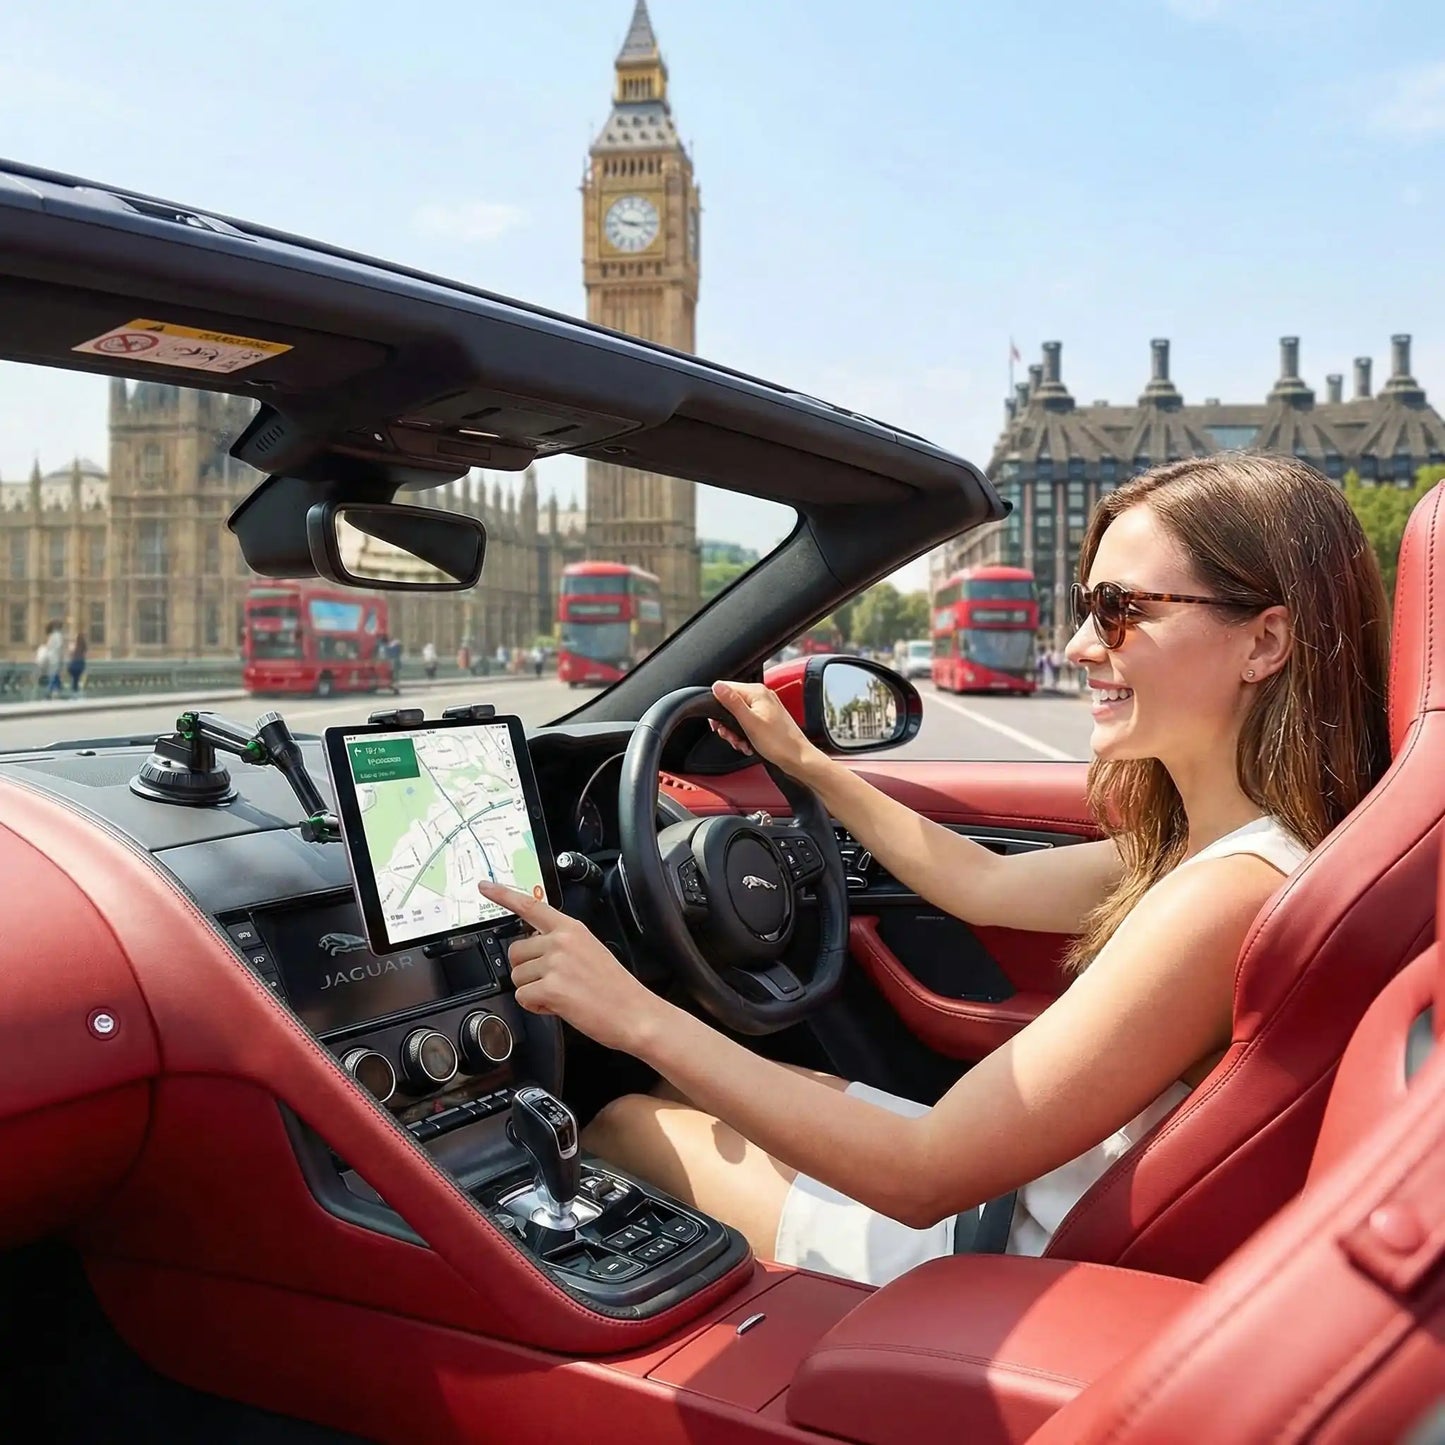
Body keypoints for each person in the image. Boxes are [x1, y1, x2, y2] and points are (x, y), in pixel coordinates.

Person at [478, 454, 1391, 1287]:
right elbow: (978, 885)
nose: (1078, 645)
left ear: (1264, 642)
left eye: (1120, 610)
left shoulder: (1221, 897)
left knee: (614, 1123)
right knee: (697, 1094)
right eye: (1085, 605)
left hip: (995, 1256)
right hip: (1023, 1197)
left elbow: (920, 1176)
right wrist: (808, 766)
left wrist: (628, 1010)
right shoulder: (1234, 850)